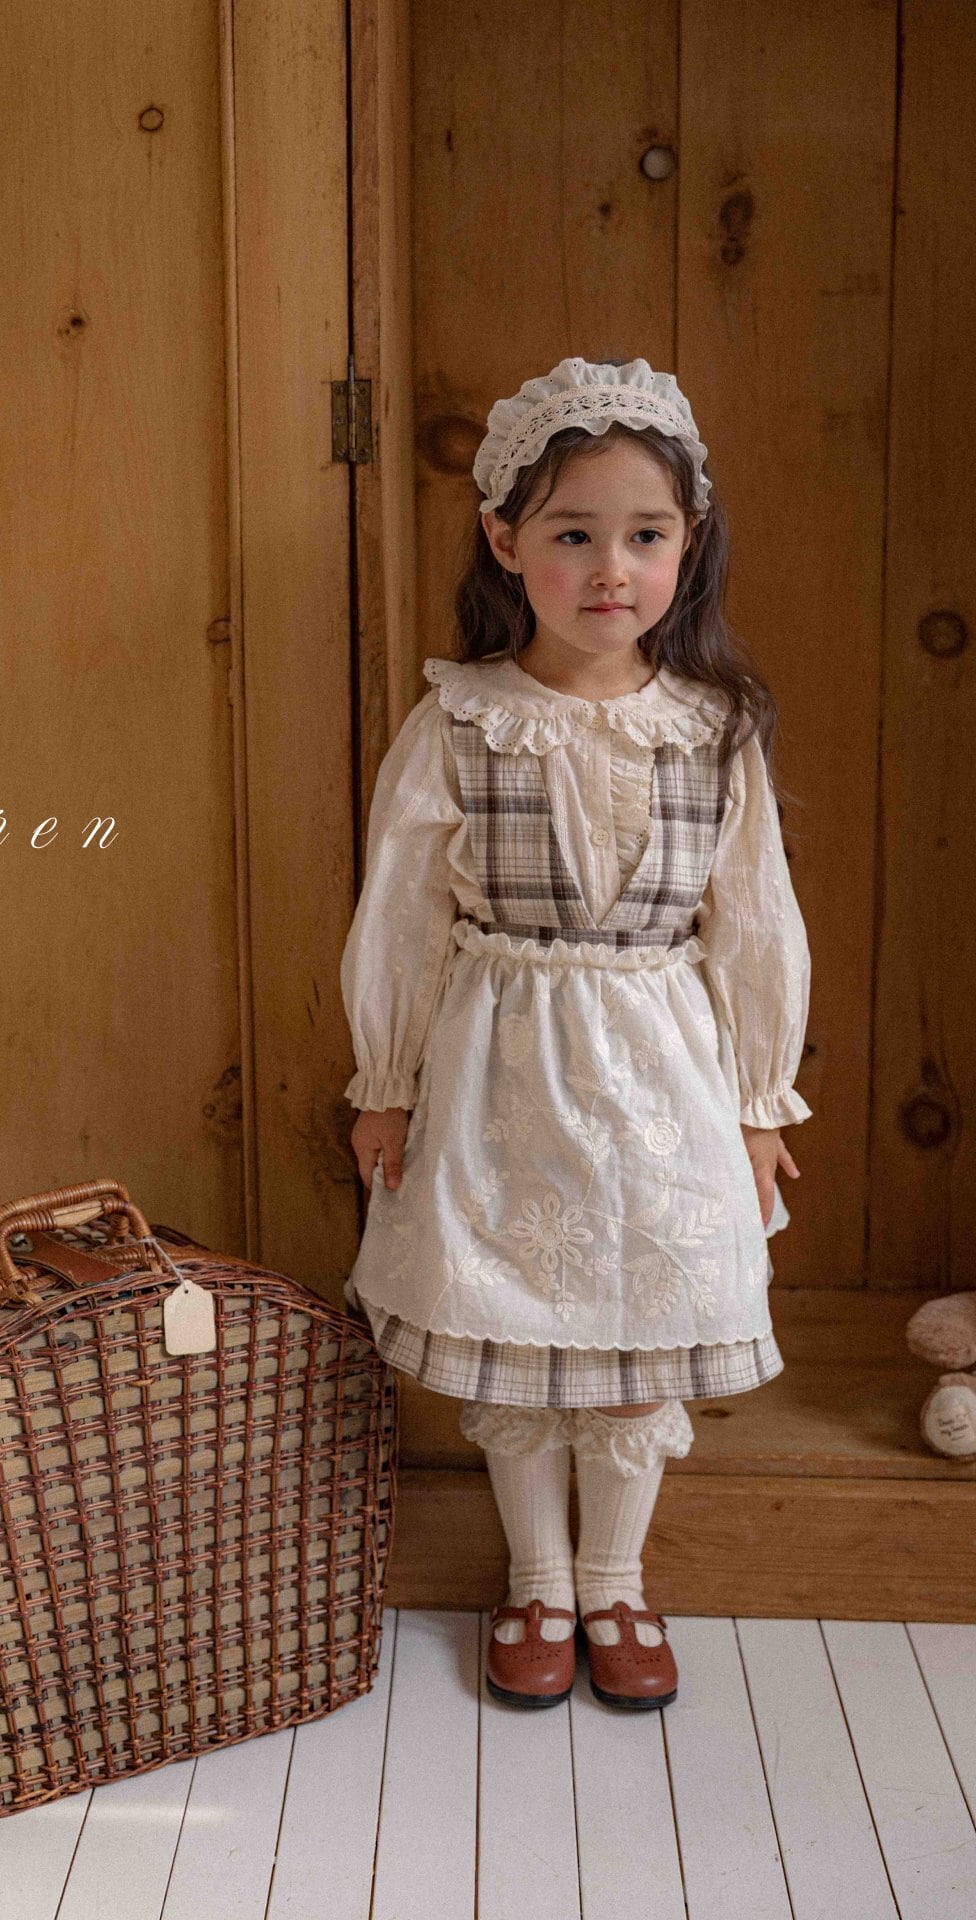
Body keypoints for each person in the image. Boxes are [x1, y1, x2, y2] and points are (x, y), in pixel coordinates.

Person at [339, 356, 812, 1712]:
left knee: (632, 1347)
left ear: (687, 544)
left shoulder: (713, 732)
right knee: (520, 1337)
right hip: (504, 1073)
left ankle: (616, 1577)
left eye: (646, 535)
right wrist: (386, 1079)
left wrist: (759, 1102)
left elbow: (755, 921)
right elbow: (403, 916)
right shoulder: (463, 720)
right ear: (506, 542)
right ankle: (538, 1580)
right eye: (574, 534)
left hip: (664, 1081)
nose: (613, 569)